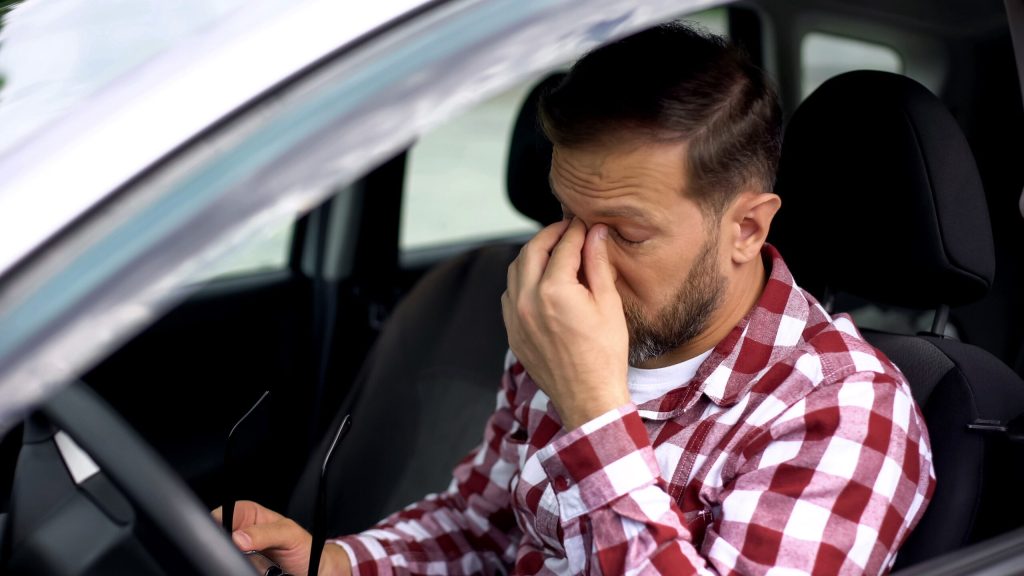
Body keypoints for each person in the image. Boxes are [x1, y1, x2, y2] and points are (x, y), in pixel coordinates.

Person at [215, 22, 934, 575]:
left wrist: (593, 411)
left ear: (746, 227)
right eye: (566, 215)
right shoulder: (570, 319)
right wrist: (336, 562)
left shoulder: (844, 412)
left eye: (625, 232)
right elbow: (486, 525)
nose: (577, 261)